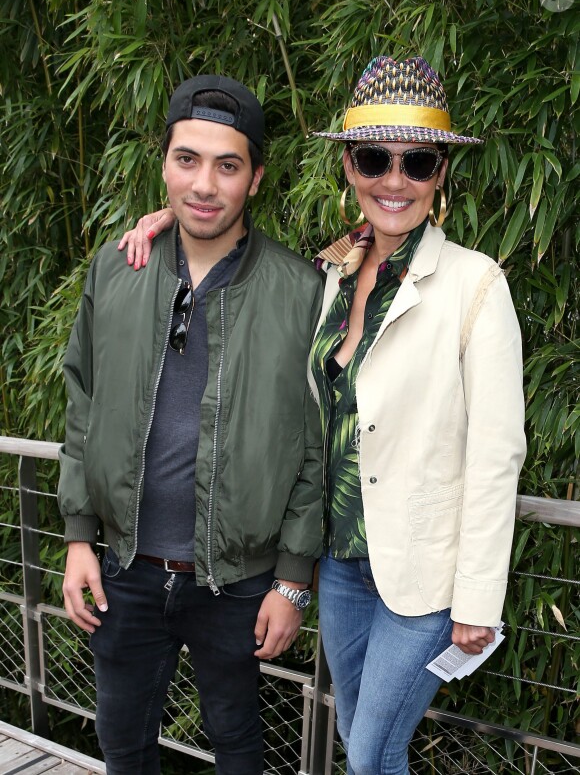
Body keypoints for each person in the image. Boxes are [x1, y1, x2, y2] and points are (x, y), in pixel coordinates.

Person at [123, 56, 526, 775]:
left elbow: (498, 457)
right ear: (348, 167)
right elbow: (241, 253)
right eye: (374, 159)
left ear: (441, 175)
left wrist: (478, 601)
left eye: (418, 162)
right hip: (341, 566)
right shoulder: (333, 273)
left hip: (426, 573)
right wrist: (170, 222)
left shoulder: (475, 283)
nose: (393, 180)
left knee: (371, 750)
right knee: (361, 742)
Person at [57, 73, 324, 775]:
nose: (204, 184)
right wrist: (80, 537)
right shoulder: (117, 271)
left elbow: (315, 447)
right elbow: (81, 402)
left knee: (238, 745)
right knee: (123, 744)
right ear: (165, 165)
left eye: (227, 165)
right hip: (125, 567)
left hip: (238, 579)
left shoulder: (302, 292)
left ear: (256, 179)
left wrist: (293, 579)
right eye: (187, 160)